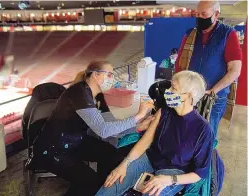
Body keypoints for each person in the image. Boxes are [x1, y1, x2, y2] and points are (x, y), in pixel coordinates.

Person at [30, 60, 154, 196]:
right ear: (95, 75)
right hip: (54, 149)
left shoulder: (96, 96)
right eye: (109, 75)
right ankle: (95, 187)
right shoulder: (79, 93)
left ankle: (105, 186)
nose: (112, 79)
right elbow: (103, 130)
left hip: (75, 141)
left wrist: (137, 126)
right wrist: (138, 116)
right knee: (88, 183)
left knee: (110, 153)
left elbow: (108, 126)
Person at [96, 71, 214, 196]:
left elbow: (199, 173)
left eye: (173, 88)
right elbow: (145, 142)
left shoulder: (203, 131)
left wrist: (169, 180)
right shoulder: (164, 112)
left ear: (188, 96)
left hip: (175, 171)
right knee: (110, 185)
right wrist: (125, 163)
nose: (168, 91)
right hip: (150, 159)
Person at [175, 0, 242, 137]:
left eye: (204, 14)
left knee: (207, 135)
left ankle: (206, 157)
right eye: (197, 14)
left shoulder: (228, 35)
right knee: (186, 134)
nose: (199, 17)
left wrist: (213, 90)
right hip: (189, 96)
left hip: (213, 98)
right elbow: (179, 64)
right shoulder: (190, 34)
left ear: (216, 14)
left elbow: (235, 70)